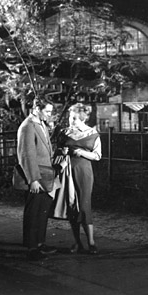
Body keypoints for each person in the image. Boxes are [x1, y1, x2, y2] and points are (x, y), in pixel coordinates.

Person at [51, 103, 102, 254]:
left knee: (84, 205)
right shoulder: (64, 132)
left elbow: (97, 156)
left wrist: (81, 152)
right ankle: (77, 242)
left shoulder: (92, 134)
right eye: (70, 118)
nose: (70, 121)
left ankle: (91, 242)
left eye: (74, 118)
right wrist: (62, 151)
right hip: (67, 170)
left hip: (83, 171)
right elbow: (55, 152)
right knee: (71, 205)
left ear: (82, 118)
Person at [12, 97, 59, 261]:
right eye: (47, 111)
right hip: (37, 177)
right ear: (37, 109)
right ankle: (32, 247)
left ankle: (40, 243)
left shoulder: (41, 124)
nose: (49, 114)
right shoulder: (27, 127)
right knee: (34, 212)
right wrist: (33, 179)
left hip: (45, 175)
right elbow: (26, 155)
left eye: (50, 111)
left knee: (42, 210)